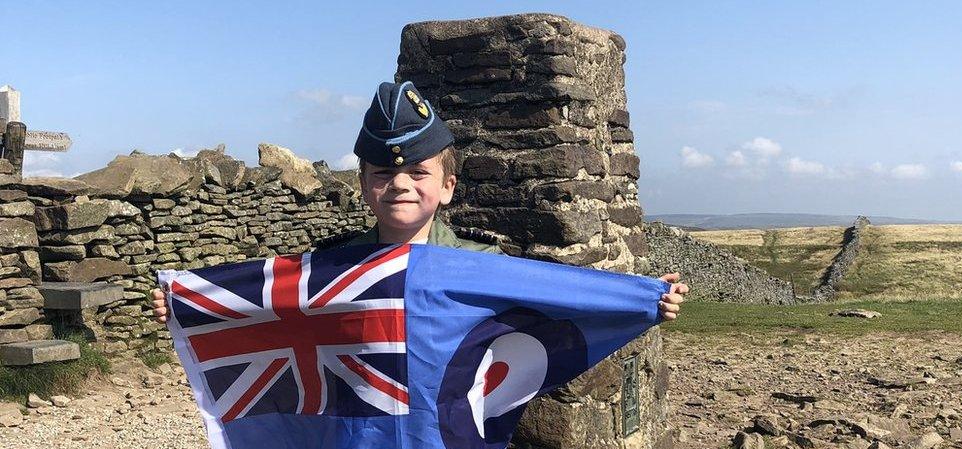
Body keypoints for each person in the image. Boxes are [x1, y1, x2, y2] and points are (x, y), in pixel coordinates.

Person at [150, 81, 688, 322]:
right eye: (384, 173)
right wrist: (188, 302)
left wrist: (642, 299)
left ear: (448, 187)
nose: (402, 184)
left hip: (445, 430)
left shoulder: (481, 267)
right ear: (363, 185)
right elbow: (266, 304)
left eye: (419, 172)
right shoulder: (330, 267)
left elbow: (554, 300)